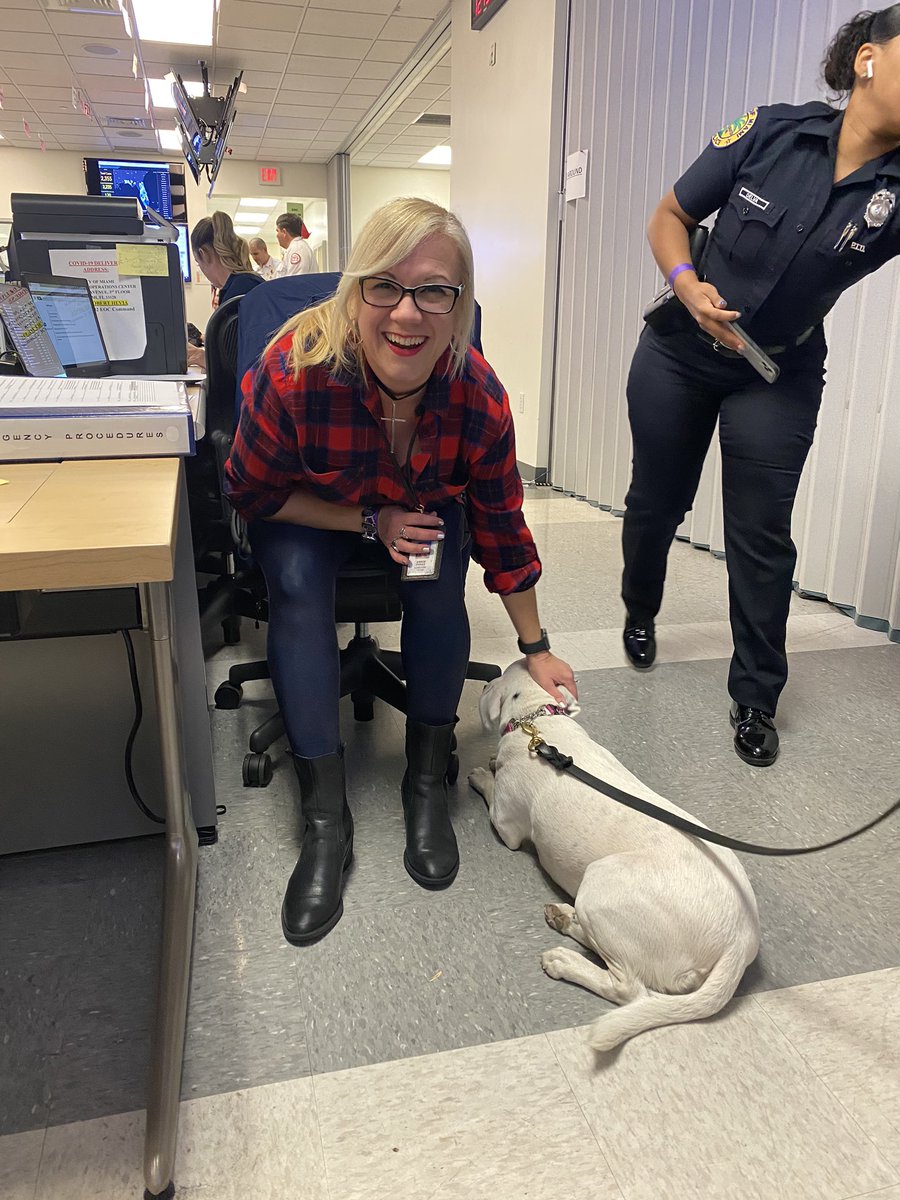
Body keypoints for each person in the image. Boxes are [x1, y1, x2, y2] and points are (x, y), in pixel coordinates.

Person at [224, 197, 577, 944]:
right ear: (355, 293)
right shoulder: (292, 374)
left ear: (459, 306)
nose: (406, 314)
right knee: (293, 586)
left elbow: (503, 527)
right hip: (308, 508)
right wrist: (365, 520)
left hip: (418, 507)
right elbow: (251, 492)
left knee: (438, 582)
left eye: (434, 292)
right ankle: (326, 822)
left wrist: (537, 647)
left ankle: (427, 783)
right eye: (384, 285)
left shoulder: (477, 398)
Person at [620, 5, 900, 768]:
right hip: (681, 352)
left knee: (760, 535)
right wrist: (685, 284)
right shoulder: (770, 131)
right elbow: (671, 214)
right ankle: (639, 608)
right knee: (658, 500)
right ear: (869, 61)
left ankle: (756, 696)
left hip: (776, 370)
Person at [188, 212, 265, 368]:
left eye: (198, 262)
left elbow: (238, 365)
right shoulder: (245, 283)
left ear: (203, 253)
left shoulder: (239, 292)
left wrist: (203, 358)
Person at [274, 212, 316, 276]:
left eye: (277, 231)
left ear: (284, 232)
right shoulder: (294, 248)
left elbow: (295, 282)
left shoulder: (297, 249)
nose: (277, 235)